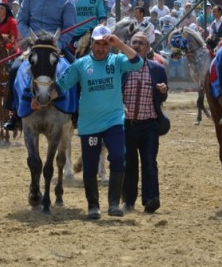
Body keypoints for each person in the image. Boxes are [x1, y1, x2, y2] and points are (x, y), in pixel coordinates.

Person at [56, 25, 143, 219]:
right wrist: (42, 99)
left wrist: (119, 44)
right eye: (98, 44)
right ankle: (93, 206)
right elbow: (62, 84)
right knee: (90, 164)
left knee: (119, 158)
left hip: (114, 121)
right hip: (89, 125)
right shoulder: (80, 64)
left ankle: (113, 204)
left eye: (105, 44)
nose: (102, 48)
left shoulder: (118, 61)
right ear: (92, 45)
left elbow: (137, 63)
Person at [2, 0, 76, 131]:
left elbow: (69, 29)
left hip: (56, 48)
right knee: (14, 70)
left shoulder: (67, 1)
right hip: (34, 47)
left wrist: (59, 45)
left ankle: (76, 112)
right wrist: (33, 40)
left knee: (76, 70)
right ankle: (14, 113)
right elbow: (21, 21)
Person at [121, 31, 168, 214]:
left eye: (141, 43)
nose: (137, 46)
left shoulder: (157, 69)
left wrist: (163, 91)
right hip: (126, 124)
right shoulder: (121, 68)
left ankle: (151, 199)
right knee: (128, 163)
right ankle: (128, 200)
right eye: (134, 42)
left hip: (149, 124)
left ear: (148, 48)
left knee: (149, 162)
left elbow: (163, 97)